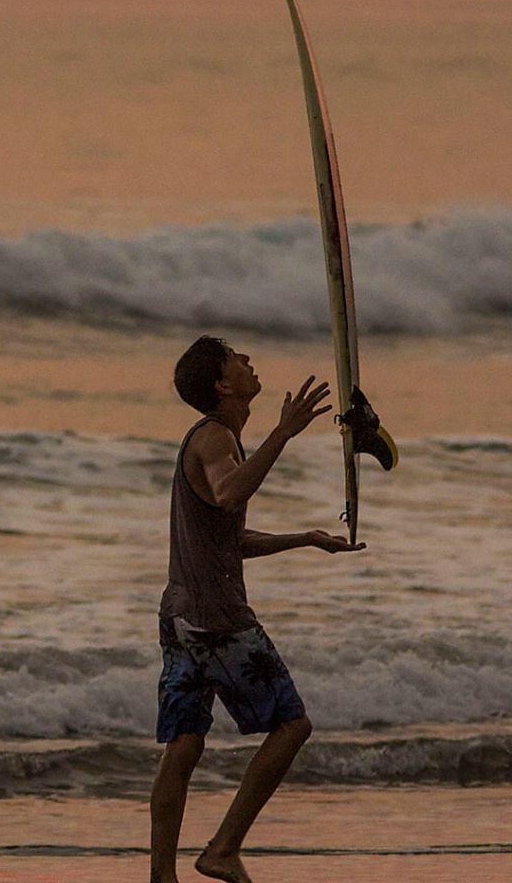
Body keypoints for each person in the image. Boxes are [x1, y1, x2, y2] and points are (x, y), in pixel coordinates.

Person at [150, 335, 365, 883]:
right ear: (223, 386)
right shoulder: (216, 437)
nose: (248, 362)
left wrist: (304, 538)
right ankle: (222, 848)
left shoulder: (215, 441)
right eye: (236, 360)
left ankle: (161, 877)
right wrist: (284, 432)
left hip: (180, 615)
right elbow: (227, 495)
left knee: (186, 742)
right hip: (218, 621)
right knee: (293, 726)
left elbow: (230, 538)